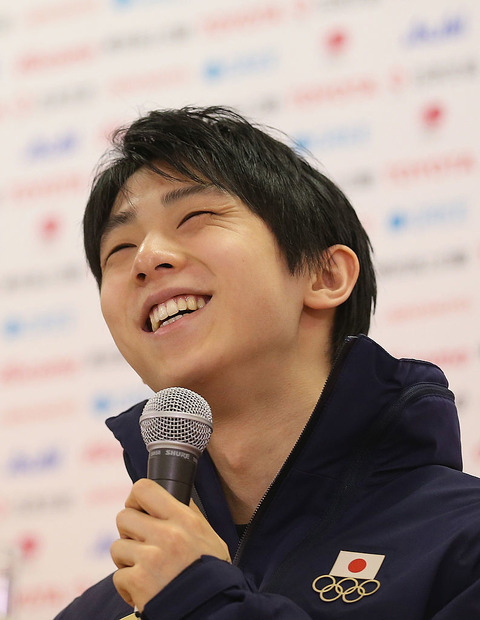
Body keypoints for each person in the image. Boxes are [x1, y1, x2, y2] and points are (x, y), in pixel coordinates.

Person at [55, 106, 480, 619]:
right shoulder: (99, 611)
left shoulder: (463, 544)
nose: (146, 258)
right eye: (118, 251)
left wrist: (201, 601)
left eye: (194, 218)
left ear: (325, 275)